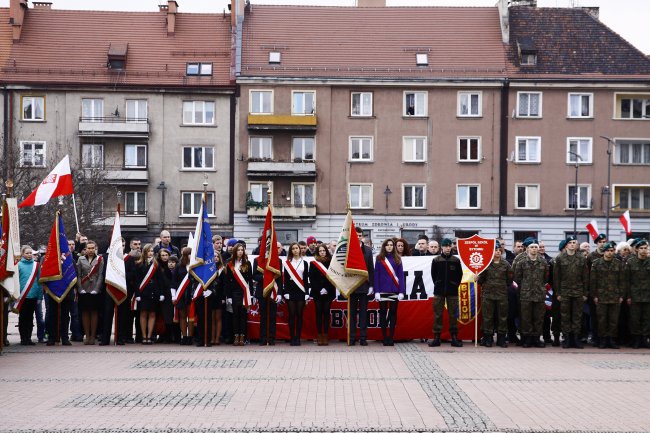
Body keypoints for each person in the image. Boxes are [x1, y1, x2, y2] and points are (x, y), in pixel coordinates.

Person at [554, 236, 589, 349]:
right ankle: (567, 339)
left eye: (574, 242)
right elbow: (556, 277)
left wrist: (585, 293)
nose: (573, 244)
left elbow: (585, 277)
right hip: (564, 291)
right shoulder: (560, 258)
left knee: (577, 316)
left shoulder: (581, 258)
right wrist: (558, 293)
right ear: (566, 245)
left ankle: (576, 339)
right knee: (565, 316)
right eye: (570, 243)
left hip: (578, 291)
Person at [513, 240, 549, 348]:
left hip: (539, 294)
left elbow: (545, 278)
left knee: (538, 318)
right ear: (527, 249)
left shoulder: (543, 262)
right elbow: (517, 278)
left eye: (535, 247)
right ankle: (527, 338)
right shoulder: (521, 262)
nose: (534, 249)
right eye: (532, 247)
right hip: (526, 294)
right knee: (526, 318)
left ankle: (537, 338)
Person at [429, 238, 463, 347]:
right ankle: (437, 337)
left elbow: (459, 275)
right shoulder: (436, 260)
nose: (448, 248)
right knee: (438, 314)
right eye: (445, 246)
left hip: (452, 291)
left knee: (453, 314)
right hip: (439, 291)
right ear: (442, 247)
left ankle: (454, 337)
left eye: (449, 246)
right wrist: (438, 283)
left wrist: (454, 284)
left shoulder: (456, 260)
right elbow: (433, 275)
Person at [477, 242, 512, 348]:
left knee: (502, 317)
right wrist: (477, 278)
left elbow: (509, 280)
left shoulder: (506, 264)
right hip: (488, 295)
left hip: (502, 295)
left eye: (499, 250)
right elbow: (481, 280)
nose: (497, 251)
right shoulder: (486, 263)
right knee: (488, 317)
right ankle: (488, 338)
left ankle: (501, 339)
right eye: (495, 250)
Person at [590, 242, 624, 349]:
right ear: (604, 251)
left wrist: (621, 295)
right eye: (608, 251)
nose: (610, 253)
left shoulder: (618, 263)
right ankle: (603, 340)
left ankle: (612, 339)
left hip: (614, 295)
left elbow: (622, 281)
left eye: (611, 251)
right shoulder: (596, 263)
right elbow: (593, 281)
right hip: (601, 296)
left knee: (613, 320)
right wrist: (594, 295)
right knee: (602, 319)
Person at [373, 239, 406, 346]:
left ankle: (391, 337)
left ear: (394, 246)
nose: (389, 246)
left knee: (392, 314)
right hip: (382, 290)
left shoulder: (398, 259)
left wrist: (401, 291)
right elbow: (376, 276)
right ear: (384, 246)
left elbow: (401, 276)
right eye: (387, 245)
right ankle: (384, 337)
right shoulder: (379, 259)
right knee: (382, 314)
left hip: (394, 290)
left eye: (391, 245)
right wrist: (376, 291)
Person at [252, 241, 283, 346]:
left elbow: (279, 278)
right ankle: (263, 338)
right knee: (263, 316)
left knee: (272, 316)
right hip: (262, 291)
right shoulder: (258, 260)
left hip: (274, 291)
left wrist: (279, 293)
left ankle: (271, 338)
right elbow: (255, 276)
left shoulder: (278, 260)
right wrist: (265, 277)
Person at [349, 226, 374, 346]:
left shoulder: (368, 250)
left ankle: (363, 337)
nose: (358, 238)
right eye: (356, 236)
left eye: (360, 236)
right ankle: (352, 337)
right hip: (352, 287)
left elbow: (371, 269)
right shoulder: (348, 249)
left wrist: (371, 286)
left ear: (362, 236)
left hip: (364, 286)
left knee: (364, 313)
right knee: (352, 313)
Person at [75, 240, 104, 345]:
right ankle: (87, 336)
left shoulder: (100, 259)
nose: (91, 250)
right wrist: (80, 288)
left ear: (95, 248)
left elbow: (101, 275)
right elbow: (78, 275)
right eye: (89, 248)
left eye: (93, 248)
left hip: (95, 290)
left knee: (94, 313)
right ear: (85, 249)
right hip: (84, 289)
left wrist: (96, 289)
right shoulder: (80, 259)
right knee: (85, 313)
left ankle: (92, 336)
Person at [281, 242, 310, 346]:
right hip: (290, 292)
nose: (295, 250)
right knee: (292, 315)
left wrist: (307, 292)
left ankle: (298, 337)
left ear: (300, 249)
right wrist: (286, 292)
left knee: (299, 315)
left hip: (301, 291)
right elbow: (286, 281)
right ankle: (292, 337)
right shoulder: (287, 263)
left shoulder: (305, 263)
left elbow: (306, 279)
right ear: (291, 250)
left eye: (297, 248)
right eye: (293, 248)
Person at [135, 244, 164, 344]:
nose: (151, 253)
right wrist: (137, 294)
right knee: (143, 314)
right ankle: (143, 336)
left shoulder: (156, 264)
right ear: (145, 252)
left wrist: (161, 293)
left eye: (152, 251)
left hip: (154, 292)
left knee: (152, 314)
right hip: (143, 292)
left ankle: (149, 336)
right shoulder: (139, 264)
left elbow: (160, 280)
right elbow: (137, 281)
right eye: (149, 251)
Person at [225, 243, 253, 346]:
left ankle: (242, 336)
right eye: (238, 250)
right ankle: (236, 336)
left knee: (243, 315)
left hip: (244, 292)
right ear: (235, 251)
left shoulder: (248, 263)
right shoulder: (230, 264)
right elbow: (227, 281)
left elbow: (249, 280)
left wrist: (251, 294)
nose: (240, 251)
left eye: (242, 250)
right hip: (234, 292)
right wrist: (229, 296)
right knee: (235, 315)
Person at [624, 239, 650, 348]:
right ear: (637, 249)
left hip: (648, 295)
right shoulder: (630, 262)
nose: (643, 251)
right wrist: (628, 296)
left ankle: (644, 339)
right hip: (635, 295)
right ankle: (636, 340)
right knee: (634, 319)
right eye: (641, 248)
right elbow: (627, 280)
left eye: (645, 248)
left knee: (647, 318)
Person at [309, 244, 335, 345]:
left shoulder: (332, 262)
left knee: (326, 313)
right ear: (317, 252)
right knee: (319, 313)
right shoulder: (313, 263)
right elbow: (311, 278)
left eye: (324, 250)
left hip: (329, 291)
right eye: (320, 251)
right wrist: (319, 288)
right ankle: (319, 335)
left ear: (326, 251)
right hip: (317, 292)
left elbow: (333, 277)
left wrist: (326, 288)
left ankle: (326, 335)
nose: (322, 252)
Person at [17, 246, 42, 345]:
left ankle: (29, 338)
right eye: (27, 253)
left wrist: (40, 296)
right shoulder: (18, 265)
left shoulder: (36, 265)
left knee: (30, 318)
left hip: (33, 295)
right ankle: (23, 338)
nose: (29, 255)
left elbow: (40, 281)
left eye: (30, 253)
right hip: (22, 296)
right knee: (23, 317)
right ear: (22, 254)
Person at [172, 248, 193, 345]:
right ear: (185, 255)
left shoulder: (195, 266)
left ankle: (190, 337)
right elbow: (174, 282)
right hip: (180, 294)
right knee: (182, 317)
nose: (190, 255)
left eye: (191, 254)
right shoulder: (179, 266)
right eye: (189, 254)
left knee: (191, 316)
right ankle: (184, 336)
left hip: (191, 294)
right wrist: (173, 296)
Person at [124, 238, 142, 343]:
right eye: (135, 244)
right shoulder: (126, 259)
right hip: (129, 290)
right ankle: (128, 336)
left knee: (140, 315)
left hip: (141, 291)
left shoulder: (144, 260)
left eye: (139, 244)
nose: (138, 246)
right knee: (128, 316)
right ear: (131, 245)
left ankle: (139, 336)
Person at [210, 251, 227, 345]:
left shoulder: (223, 269)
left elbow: (225, 285)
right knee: (211, 318)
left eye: (217, 256)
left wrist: (224, 297)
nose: (215, 258)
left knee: (218, 318)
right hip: (210, 295)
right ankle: (212, 338)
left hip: (220, 296)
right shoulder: (208, 269)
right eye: (214, 256)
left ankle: (217, 338)